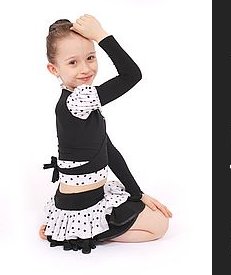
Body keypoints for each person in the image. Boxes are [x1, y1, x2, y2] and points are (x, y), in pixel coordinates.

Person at [39, 15, 170, 253]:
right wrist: (101, 35)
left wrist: (137, 193)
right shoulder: (78, 100)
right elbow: (132, 75)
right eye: (73, 63)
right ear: (53, 69)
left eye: (90, 57)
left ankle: (68, 228)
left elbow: (107, 150)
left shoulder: (82, 99)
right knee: (160, 226)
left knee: (144, 208)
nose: (86, 69)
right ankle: (81, 233)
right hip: (82, 203)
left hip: (89, 194)